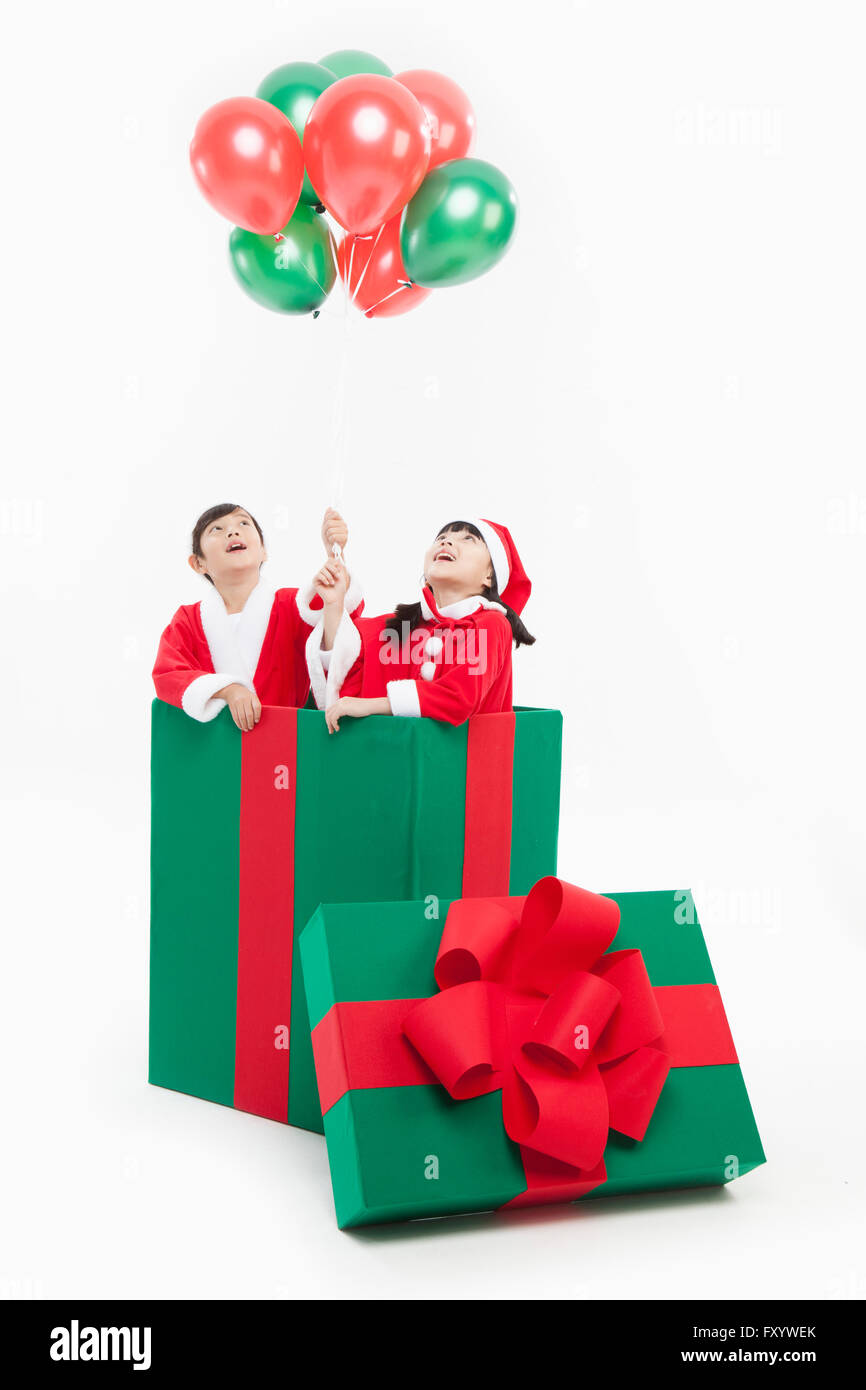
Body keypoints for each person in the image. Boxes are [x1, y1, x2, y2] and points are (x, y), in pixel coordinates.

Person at [305, 518, 533, 732]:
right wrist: (334, 603)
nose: (447, 541)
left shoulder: (492, 624)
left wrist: (371, 705)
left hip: (459, 770)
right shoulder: (401, 627)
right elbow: (347, 674)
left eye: (468, 539)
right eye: (441, 537)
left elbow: (459, 697)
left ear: (489, 576)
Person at [152, 503, 360, 730]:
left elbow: (340, 639)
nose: (232, 531)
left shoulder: (293, 605)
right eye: (216, 529)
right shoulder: (188, 620)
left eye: (243, 523)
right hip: (216, 748)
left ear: (263, 551)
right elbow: (168, 675)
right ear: (198, 563)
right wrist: (229, 689)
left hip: (286, 743)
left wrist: (336, 558)